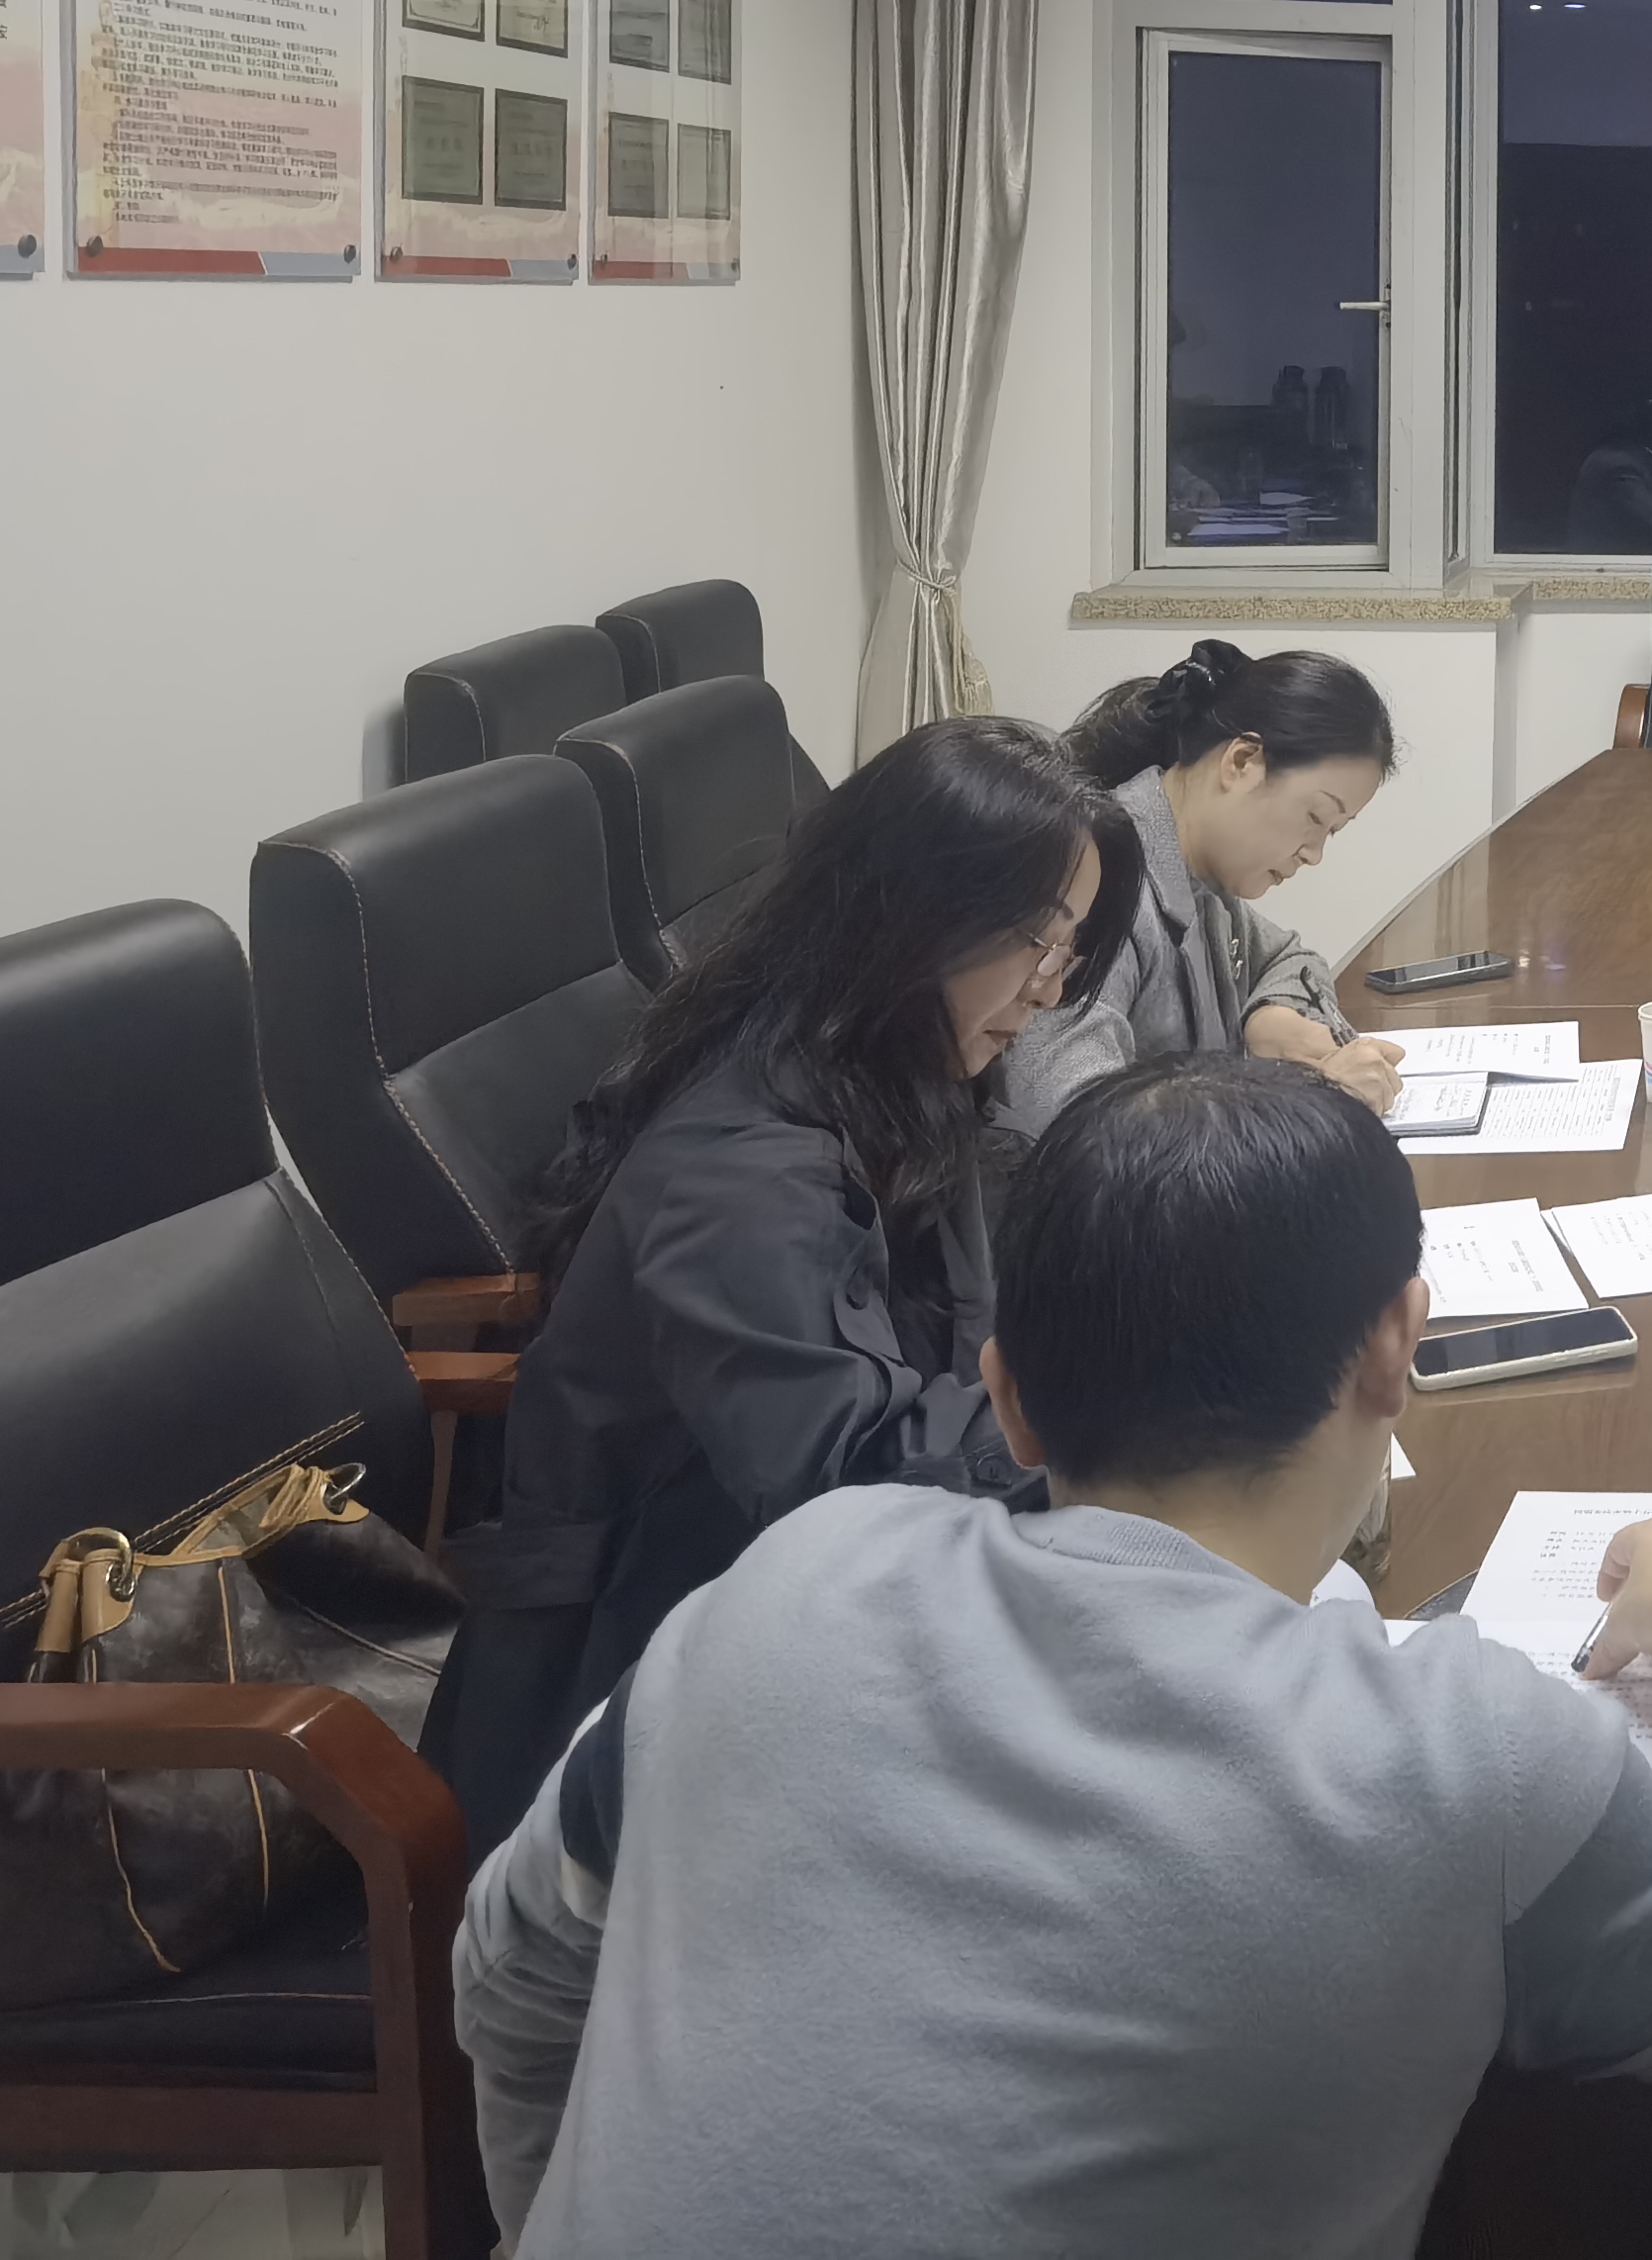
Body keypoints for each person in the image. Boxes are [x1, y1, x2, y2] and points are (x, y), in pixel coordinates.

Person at [454, 1060, 1652, 2253]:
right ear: (1396, 1348)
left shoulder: (781, 1584)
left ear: (1005, 1400)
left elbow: (510, 1969)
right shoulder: (1460, 1756)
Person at [428, 717, 1141, 1841]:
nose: (1049, 990)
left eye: (1069, 948)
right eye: (1034, 941)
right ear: (913, 914)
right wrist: (1124, 1414)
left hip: (776, 1611)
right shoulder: (743, 1173)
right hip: (636, 1690)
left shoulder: (874, 1062)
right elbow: (844, 1480)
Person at [995, 640, 1403, 1142]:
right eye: (1315, 817)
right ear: (1242, 761)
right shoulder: (1097, 881)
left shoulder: (1203, 877)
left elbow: (1288, 958)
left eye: (1332, 831)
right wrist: (1300, 1105)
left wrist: (1274, 1017)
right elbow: (1075, 1120)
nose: (1313, 853)